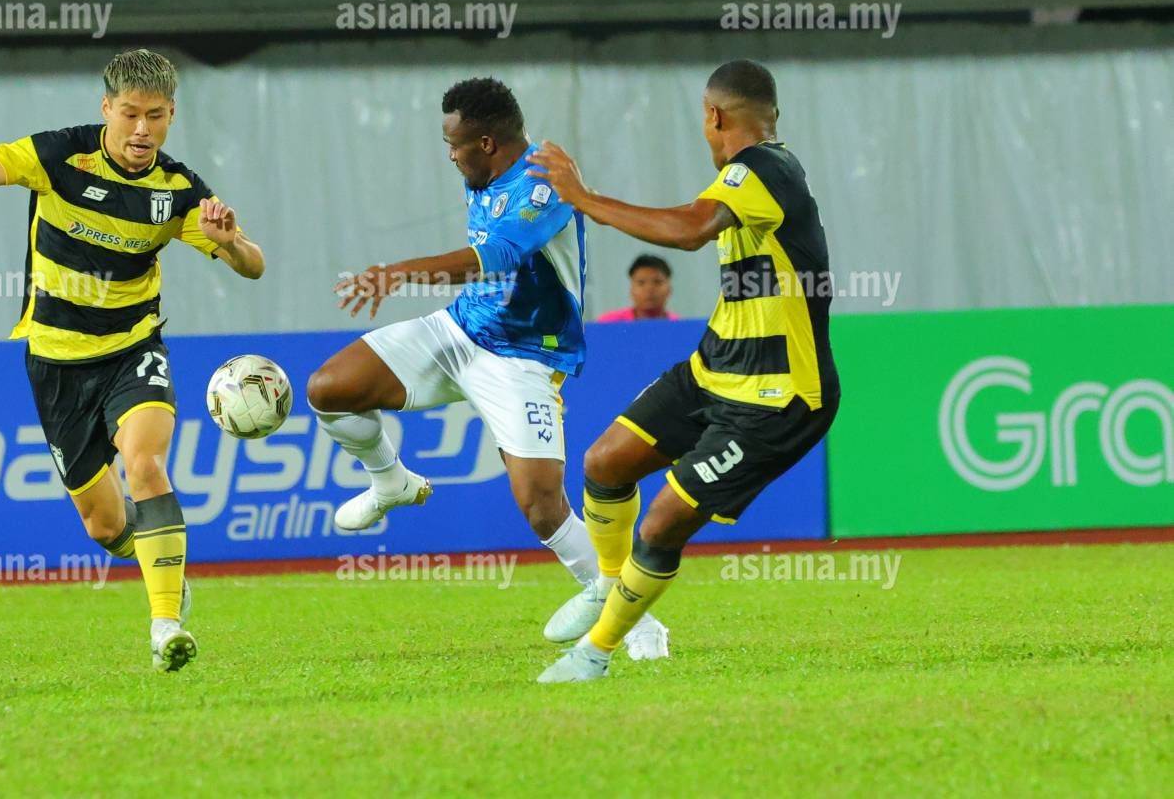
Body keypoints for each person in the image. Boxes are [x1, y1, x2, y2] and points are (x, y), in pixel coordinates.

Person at [0, 48, 265, 673]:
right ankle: (162, 565)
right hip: (55, 362)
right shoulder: (58, 156)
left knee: (145, 465)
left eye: (155, 116)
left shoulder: (179, 190)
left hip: (133, 348)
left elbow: (253, 266)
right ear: (106, 108)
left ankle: (165, 623)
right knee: (104, 527)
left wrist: (230, 242)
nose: (142, 129)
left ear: (171, 115)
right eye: (129, 113)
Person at [307, 77, 668, 660]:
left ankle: (637, 616)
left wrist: (396, 273)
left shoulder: (544, 183)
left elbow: (497, 256)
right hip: (460, 330)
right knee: (330, 389)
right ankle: (390, 480)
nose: (449, 155)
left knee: (542, 507)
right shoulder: (483, 172)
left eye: (454, 144)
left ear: (487, 143)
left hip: (524, 356)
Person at [527, 60, 840, 682]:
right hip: (713, 369)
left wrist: (584, 199)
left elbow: (690, 229)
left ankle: (596, 652)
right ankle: (609, 586)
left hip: (776, 397)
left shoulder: (761, 169)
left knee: (663, 521)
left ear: (713, 116)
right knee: (604, 463)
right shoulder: (761, 177)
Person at [597, 254, 679, 322]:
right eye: (641, 283)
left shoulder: (678, 325)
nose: (649, 289)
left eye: (657, 282)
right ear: (631, 290)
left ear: (669, 289)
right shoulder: (609, 323)